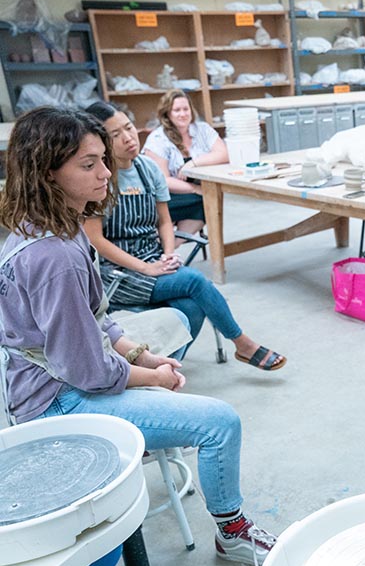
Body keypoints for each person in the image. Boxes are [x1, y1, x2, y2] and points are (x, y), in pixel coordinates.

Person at [0, 107, 277, 566]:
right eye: (88, 165)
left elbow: (96, 319)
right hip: (55, 401)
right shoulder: (53, 257)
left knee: (183, 313)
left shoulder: (54, 226)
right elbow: (87, 371)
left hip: (58, 380)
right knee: (219, 422)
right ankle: (233, 536)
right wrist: (153, 379)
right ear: (45, 173)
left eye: (103, 159)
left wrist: (141, 354)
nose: (106, 173)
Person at [83, 101, 286, 371]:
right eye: (115, 135)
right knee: (194, 281)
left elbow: (165, 221)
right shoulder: (103, 179)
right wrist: (146, 267)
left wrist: (168, 254)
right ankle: (243, 345)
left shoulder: (147, 168)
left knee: (190, 307)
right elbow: (95, 239)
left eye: (129, 128)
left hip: (153, 259)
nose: (128, 138)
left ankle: (162, 370)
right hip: (118, 274)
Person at [142, 89, 228, 236]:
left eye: (185, 109)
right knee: (206, 200)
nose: (183, 114)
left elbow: (224, 154)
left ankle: (172, 245)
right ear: (167, 114)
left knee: (209, 200)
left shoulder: (202, 129)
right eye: (176, 110)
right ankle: (167, 243)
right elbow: (163, 180)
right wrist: (194, 188)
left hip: (195, 193)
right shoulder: (158, 139)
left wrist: (193, 163)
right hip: (164, 196)